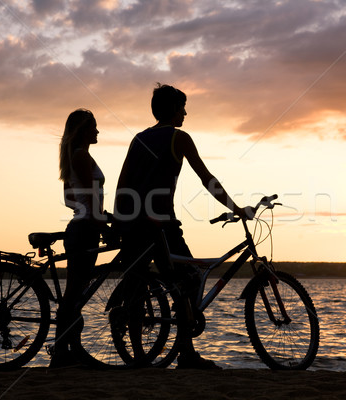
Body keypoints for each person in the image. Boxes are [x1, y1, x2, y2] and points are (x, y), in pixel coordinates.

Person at [114, 83, 251, 369]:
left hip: (133, 223)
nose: (186, 113)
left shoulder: (138, 139)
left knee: (138, 287)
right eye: (182, 107)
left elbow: (123, 183)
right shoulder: (179, 138)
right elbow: (207, 178)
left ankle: (139, 358)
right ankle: (186, 354)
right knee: (189, 278)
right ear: (173, 109)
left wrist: (122, 218)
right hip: (162, 223)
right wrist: (235, 208)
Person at [52, 108, 106, 367]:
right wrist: (101, 219)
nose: (97, 131)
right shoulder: (82, 156)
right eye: (94, 126)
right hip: (85, 230)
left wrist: (95, 213)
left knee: (75, 293)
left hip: (81, 226)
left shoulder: (73, 157)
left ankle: (68, 350)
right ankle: (63, 351)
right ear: (83, 130)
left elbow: (69, 199)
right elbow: (90, 198)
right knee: (75, 293)